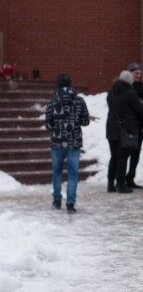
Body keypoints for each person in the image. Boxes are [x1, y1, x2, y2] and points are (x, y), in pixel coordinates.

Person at [45, 74, 90, 213]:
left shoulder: (52, 103)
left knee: (57, 172)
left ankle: (57, 200)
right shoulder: (80, 101)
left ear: (58, 85)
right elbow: (85, 121)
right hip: (74, 143)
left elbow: (48, 125)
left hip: (57, 144)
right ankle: (70, 203)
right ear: (70, 85)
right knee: (72, 173)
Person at [106, 71, 143, 193]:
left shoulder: (111, 93)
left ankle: (110, 184)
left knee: (114, 156)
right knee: (122, 157)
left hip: (112, 127)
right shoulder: (130, 93)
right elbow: (141, 109)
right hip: (125, 128)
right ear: (130, 82)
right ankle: (121, 185)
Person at [125, 62, 143, 188]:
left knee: (135, 155)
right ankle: (123, 178)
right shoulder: (127, 89)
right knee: (126, 153)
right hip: (129, 125)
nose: (138, 76)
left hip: (140, 125)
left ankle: (130, 178)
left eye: (140, 73)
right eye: (136, 73)